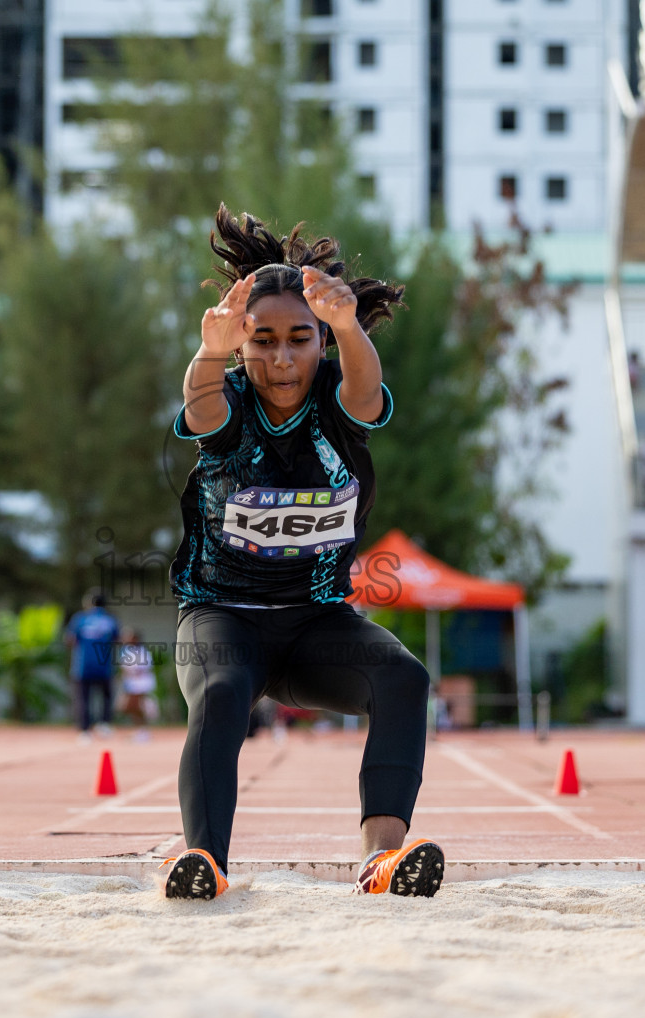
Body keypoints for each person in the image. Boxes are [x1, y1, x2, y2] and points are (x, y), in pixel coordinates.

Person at [165, 206, 438, 901]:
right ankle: (204, 862)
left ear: (320, 341)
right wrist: (210, 351)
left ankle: (383, 857)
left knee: (403, 679)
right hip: (222, 616)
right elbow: (200, 414)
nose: (281, 358)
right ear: (243, 342)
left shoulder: (337, 406)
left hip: (316, 625)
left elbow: (367, 389)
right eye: (262, 341)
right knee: (222, 692)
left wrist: (348, 327)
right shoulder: (227, 397)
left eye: (299, 339)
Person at [64, 590, 120, 740]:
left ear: (88, 603)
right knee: (106, 697)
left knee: (83, 698)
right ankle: (105, 725)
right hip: (104, 665)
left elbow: (70, 640)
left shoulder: (80, 618)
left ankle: (84, 731)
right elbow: (117, 639)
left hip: (83, 666)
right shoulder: (110, 620)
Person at [116, 628, 159, 741]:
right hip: (131, 684)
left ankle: (143, 731)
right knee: (129, 707)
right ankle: (142, 730)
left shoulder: (143, 652)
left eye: (129, 637)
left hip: (141, 683)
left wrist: (132, 672)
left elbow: (143, 668)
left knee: (134, 706)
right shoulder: (125, 651)